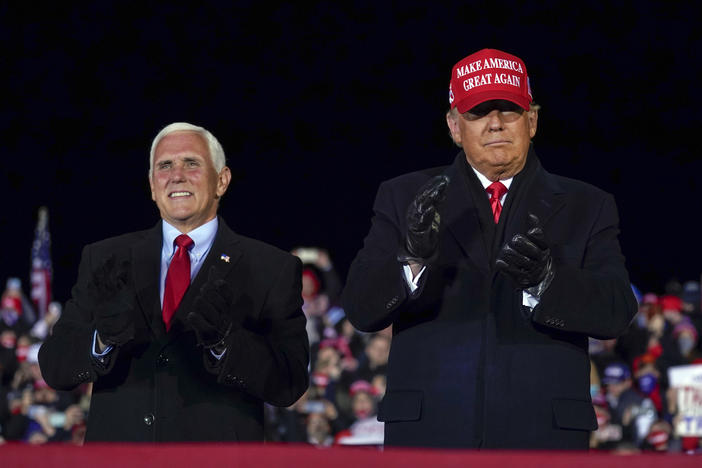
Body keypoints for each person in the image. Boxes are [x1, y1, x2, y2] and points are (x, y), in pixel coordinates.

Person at [342, 48, 637, 449]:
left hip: (543, 439)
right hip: (429, 435)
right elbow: (361, 308)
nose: (495, 123)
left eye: (509, 110)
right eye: (478, 113)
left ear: (532, 121)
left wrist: (548, 283)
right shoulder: (404, 197)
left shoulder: (588, 204)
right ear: (454, 126)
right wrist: (410, 259)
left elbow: (617, 311)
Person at [38, 122, 309, 442]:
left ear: (222, 181)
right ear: (152, 186)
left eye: (191, 163)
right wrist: (102, 339)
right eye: (164, 166)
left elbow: (288, 382)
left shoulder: (271, 268)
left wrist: (226, 343)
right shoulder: (105, 259)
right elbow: (55, 367)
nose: (176, 175)